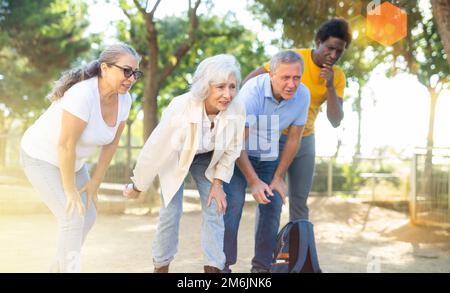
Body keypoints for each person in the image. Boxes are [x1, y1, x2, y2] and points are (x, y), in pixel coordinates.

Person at [20, 43, 142, 273]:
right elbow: (66, 145)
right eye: (126, 71)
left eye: (135, 73)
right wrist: (69, 190)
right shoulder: (83, 93)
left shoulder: (125, 101)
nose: (132, 78)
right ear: (105, 68)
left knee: (88, 217)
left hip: (73, 162)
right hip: (40, 156)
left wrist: (95, 181)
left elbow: (112, 144)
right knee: (73, 217)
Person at [123, 54, 246, 273]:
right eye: (220, 87)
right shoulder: (180, 107)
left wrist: (218, 184)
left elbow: (232, 149)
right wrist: (138, 185)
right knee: (171, 212)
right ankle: (161, 266)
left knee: (215, 208)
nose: (228, 94)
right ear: (205, 87)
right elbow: (155, 150)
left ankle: (214, 268)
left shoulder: (237, 108)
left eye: (232, 87)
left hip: (207, 159)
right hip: (175, 156)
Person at [244, 18, 351, 222]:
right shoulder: (295, 60)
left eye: (339, 51)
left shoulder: (337, 77)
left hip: (304, 139)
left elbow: (335, 120)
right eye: (330, 48)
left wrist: (329, 86)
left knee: (300, 201)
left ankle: (297, 251)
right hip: (274, 136)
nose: (334, 55)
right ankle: (265, 253)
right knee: (271, 197)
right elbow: (250, 82)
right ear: (318, 42)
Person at [223, 50, 310, 273]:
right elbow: (236, 144)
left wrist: (278, 177)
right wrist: (253, 181)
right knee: (232, 205)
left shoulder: (303, 96)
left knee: (273, 204)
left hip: (268, 155)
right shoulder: (251, 93)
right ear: (271, 74)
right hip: (237, 152)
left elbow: (293, 139)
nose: (292, 84)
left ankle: (261, 268)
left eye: (296, 77)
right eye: (285, 77)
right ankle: (222, 266)